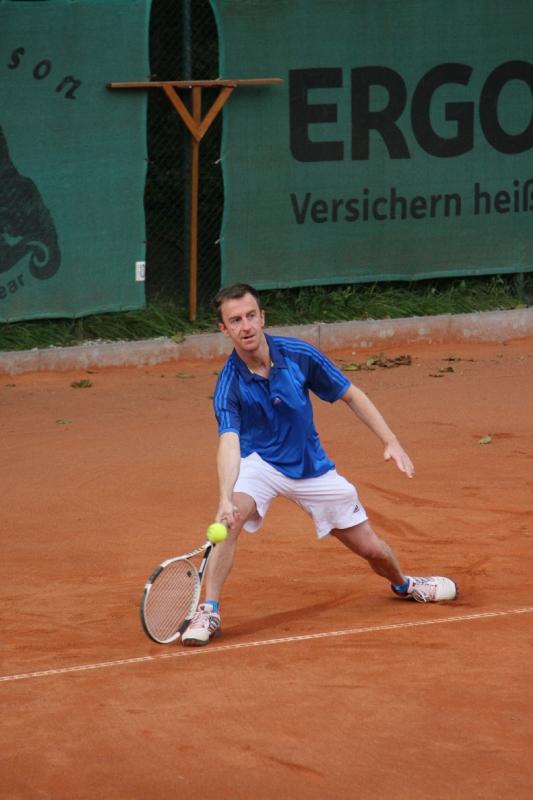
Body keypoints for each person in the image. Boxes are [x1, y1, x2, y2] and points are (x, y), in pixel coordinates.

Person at [181, 283, 457, 646]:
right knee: (229, 520)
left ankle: (404, 584)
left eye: (250, 316)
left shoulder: (298, 354)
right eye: (235, 321)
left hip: (312, 468)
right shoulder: (228, 384)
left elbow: (350, 394)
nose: (245, 326)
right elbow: (229, 441)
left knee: (371, 549)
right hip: (260, 464)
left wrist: (390, 440)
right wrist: (224, 498)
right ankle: (209, 609)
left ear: (262, 318)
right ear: (224, 329)